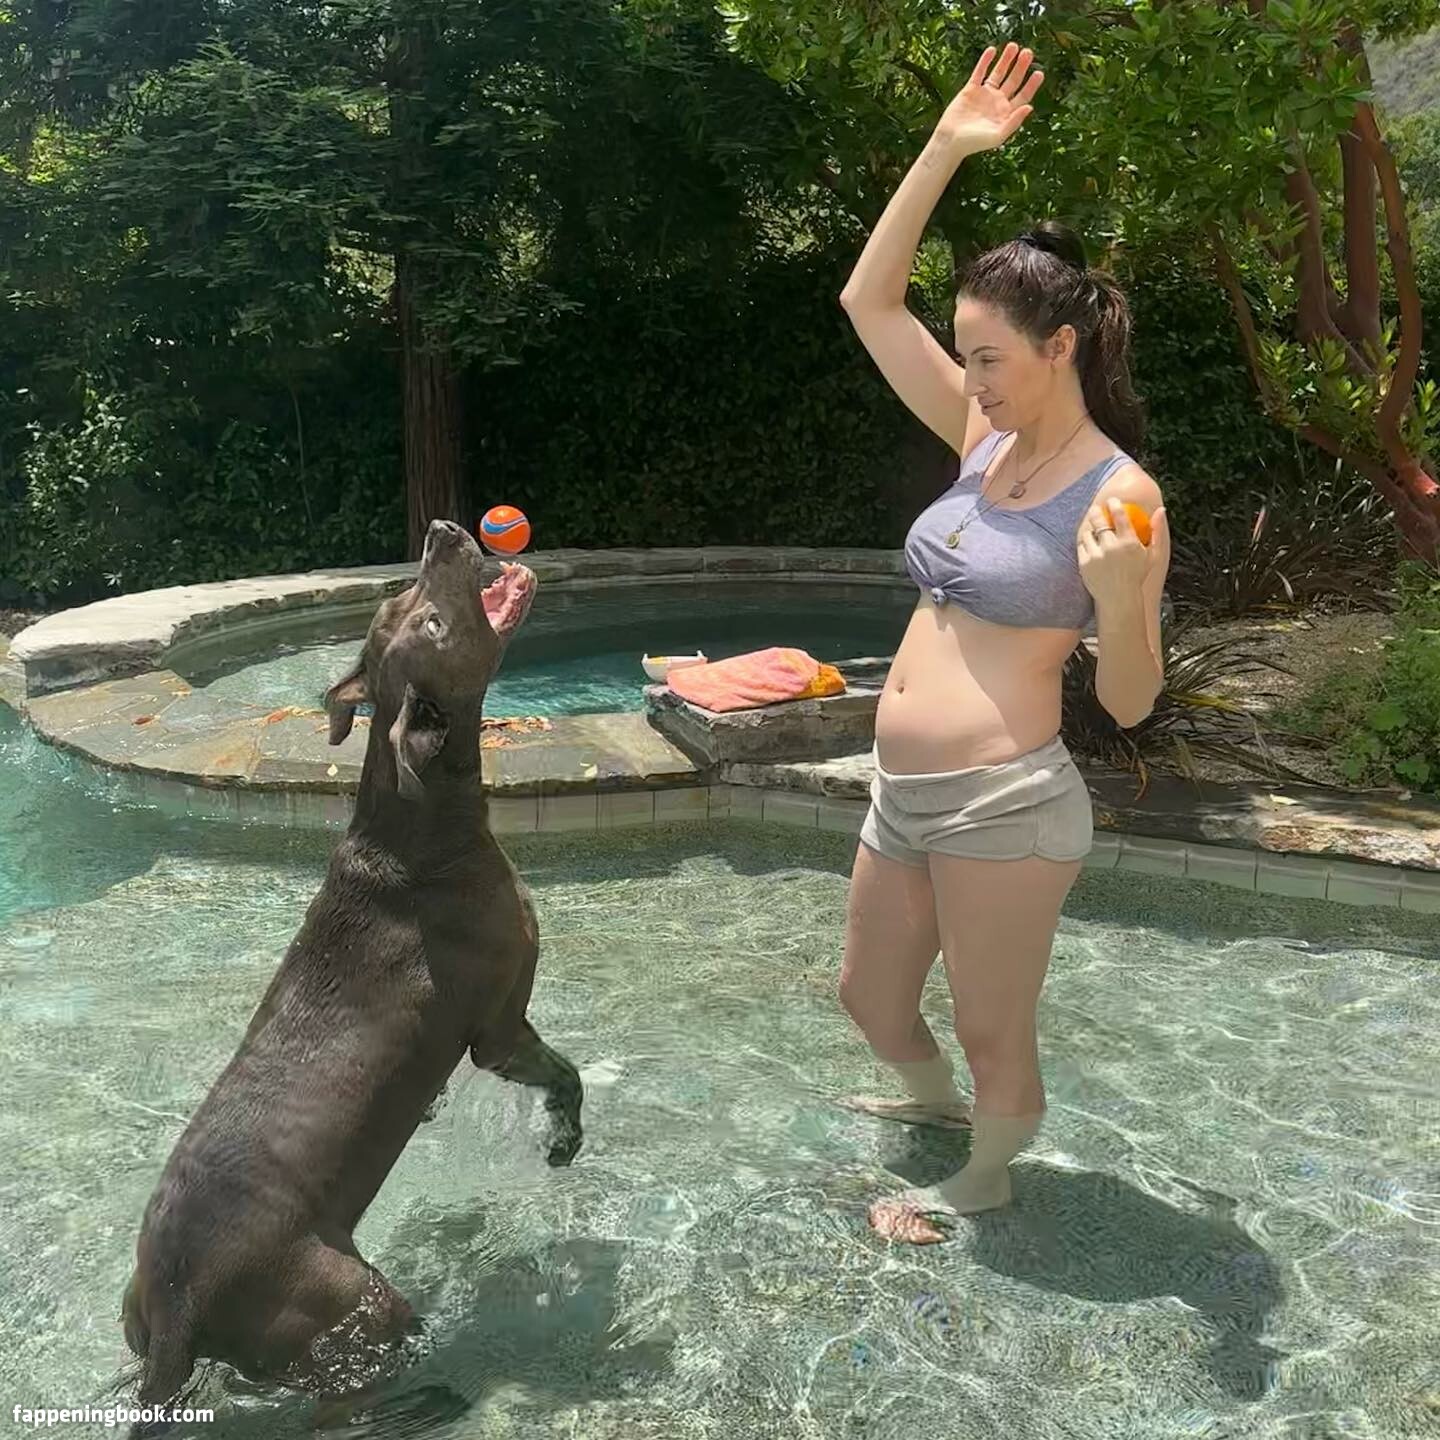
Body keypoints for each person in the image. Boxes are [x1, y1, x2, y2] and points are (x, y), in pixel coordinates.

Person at [836, 41, 1170, 1242]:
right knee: (869, 998)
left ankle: (984, 1175)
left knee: (991, 1026)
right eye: (965, 355)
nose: (969, 379)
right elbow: (868, 303)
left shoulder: (1120, 496)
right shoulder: (983, 440)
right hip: (904, 793)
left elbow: (1128, 704)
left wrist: (1121, 603)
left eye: (987, 357)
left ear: (1059, 348)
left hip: (1006, 804)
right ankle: (932, 1106)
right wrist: (944, 149)